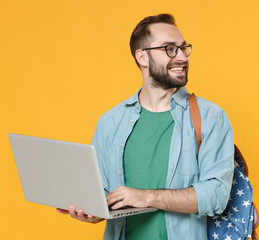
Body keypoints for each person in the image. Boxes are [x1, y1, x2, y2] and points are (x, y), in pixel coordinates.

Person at [57, 13, 234, 240]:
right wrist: (92, 210)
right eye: (169, 49)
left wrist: (147, 197)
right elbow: (104, 195)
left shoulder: (211, 117)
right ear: (142, 57)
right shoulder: (110, 122)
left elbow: (217, 196)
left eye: (183, 48)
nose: (181, 57)